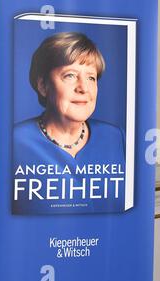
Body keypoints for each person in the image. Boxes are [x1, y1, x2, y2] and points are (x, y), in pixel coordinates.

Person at [12, 32, 126, 215]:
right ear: (43, 85)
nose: (83, 88)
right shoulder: (15, 141)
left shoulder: (116, 137)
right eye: (70, 75)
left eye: (91, 77)